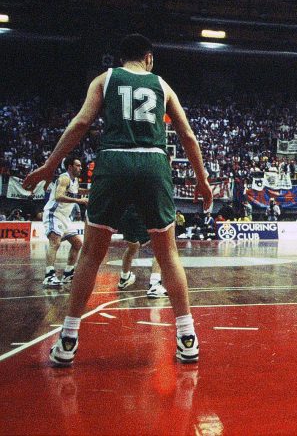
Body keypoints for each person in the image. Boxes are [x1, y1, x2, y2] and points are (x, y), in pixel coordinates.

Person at [24, 33, 212, 366]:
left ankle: (67, 339)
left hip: (113, 161)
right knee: (167, 254)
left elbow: (81, 122)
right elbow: (187, 134)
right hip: (154, 162)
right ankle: (187, 337)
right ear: (149, 58)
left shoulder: (105, 79)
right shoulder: (162, 85)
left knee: (91, 255)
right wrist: (202, 180)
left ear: (119, 58)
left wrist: (49, 166)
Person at [41, 155, 88, 287]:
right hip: (54, 214)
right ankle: (49, 275)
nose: (80, 168)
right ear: (70, 167)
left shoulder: (75, 180)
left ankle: (68, 273)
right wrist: (79, 201)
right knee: (54, 242)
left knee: (78, 243)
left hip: (65, 218)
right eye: (78, 165)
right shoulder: (64, 178)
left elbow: (76, 190)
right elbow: (58, 196)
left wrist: (91, 190)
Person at [116, 204, 167, 298]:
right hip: (141, 211)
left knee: (133, 246)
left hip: (124, 214)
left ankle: (124, 278)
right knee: (161, 247)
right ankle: (155, 285)